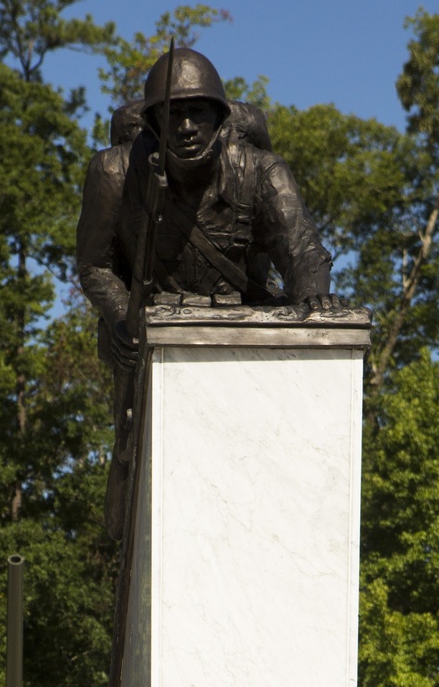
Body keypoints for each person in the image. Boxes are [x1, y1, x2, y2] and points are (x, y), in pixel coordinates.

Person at [75, 47, 338, 539]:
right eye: (174, 115)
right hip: (152, 332)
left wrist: (313, 298)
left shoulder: (261, 172)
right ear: (153, 124)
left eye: (198, 112)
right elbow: (95, 265)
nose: (187, 127)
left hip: (241, 327)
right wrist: (121, 321)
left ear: (221, 117)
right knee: (137, 465)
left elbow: (300, 246)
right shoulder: (113, 174)